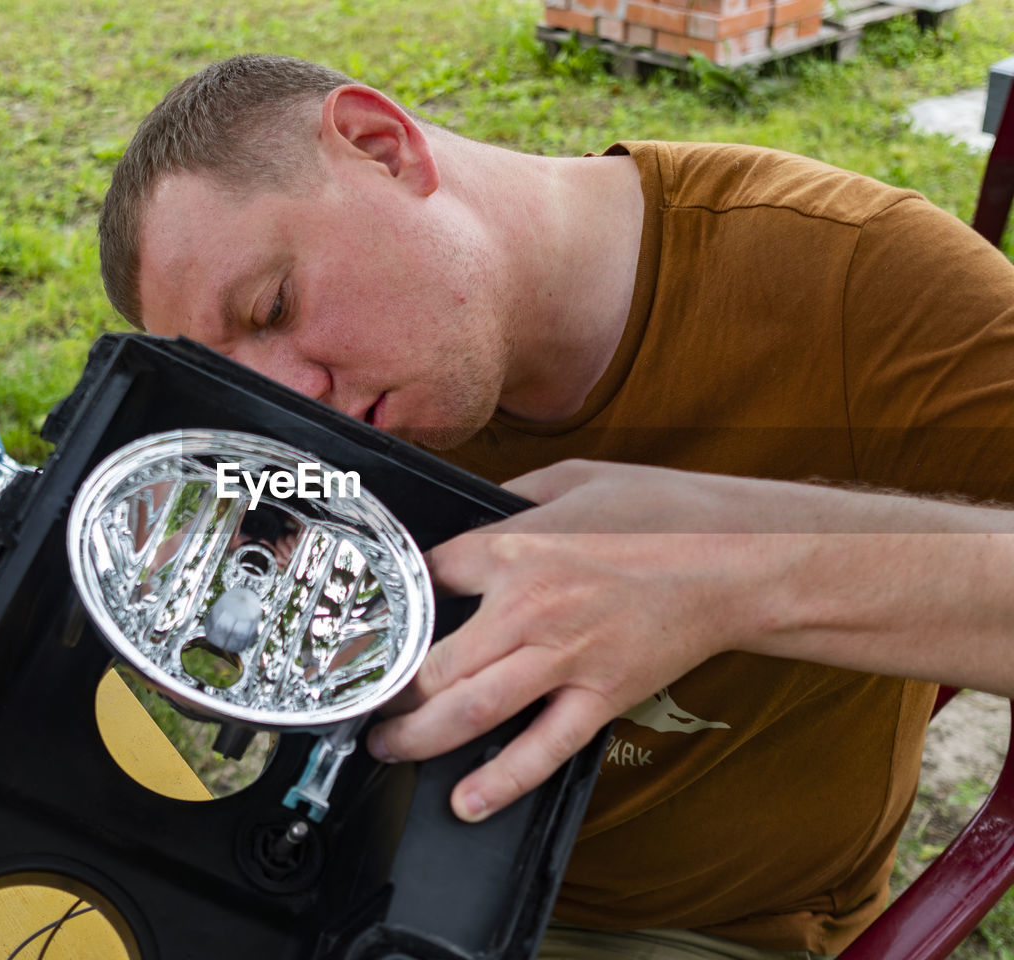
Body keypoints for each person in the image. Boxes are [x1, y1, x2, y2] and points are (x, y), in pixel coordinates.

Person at [98, 54, 1014, 958]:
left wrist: (736, 566)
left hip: (677, 926)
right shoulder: (327, 412)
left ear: (382, 147)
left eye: (274, 305)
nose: (297, 404)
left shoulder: (853, 281)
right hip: (362, 875)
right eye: (237, 381)